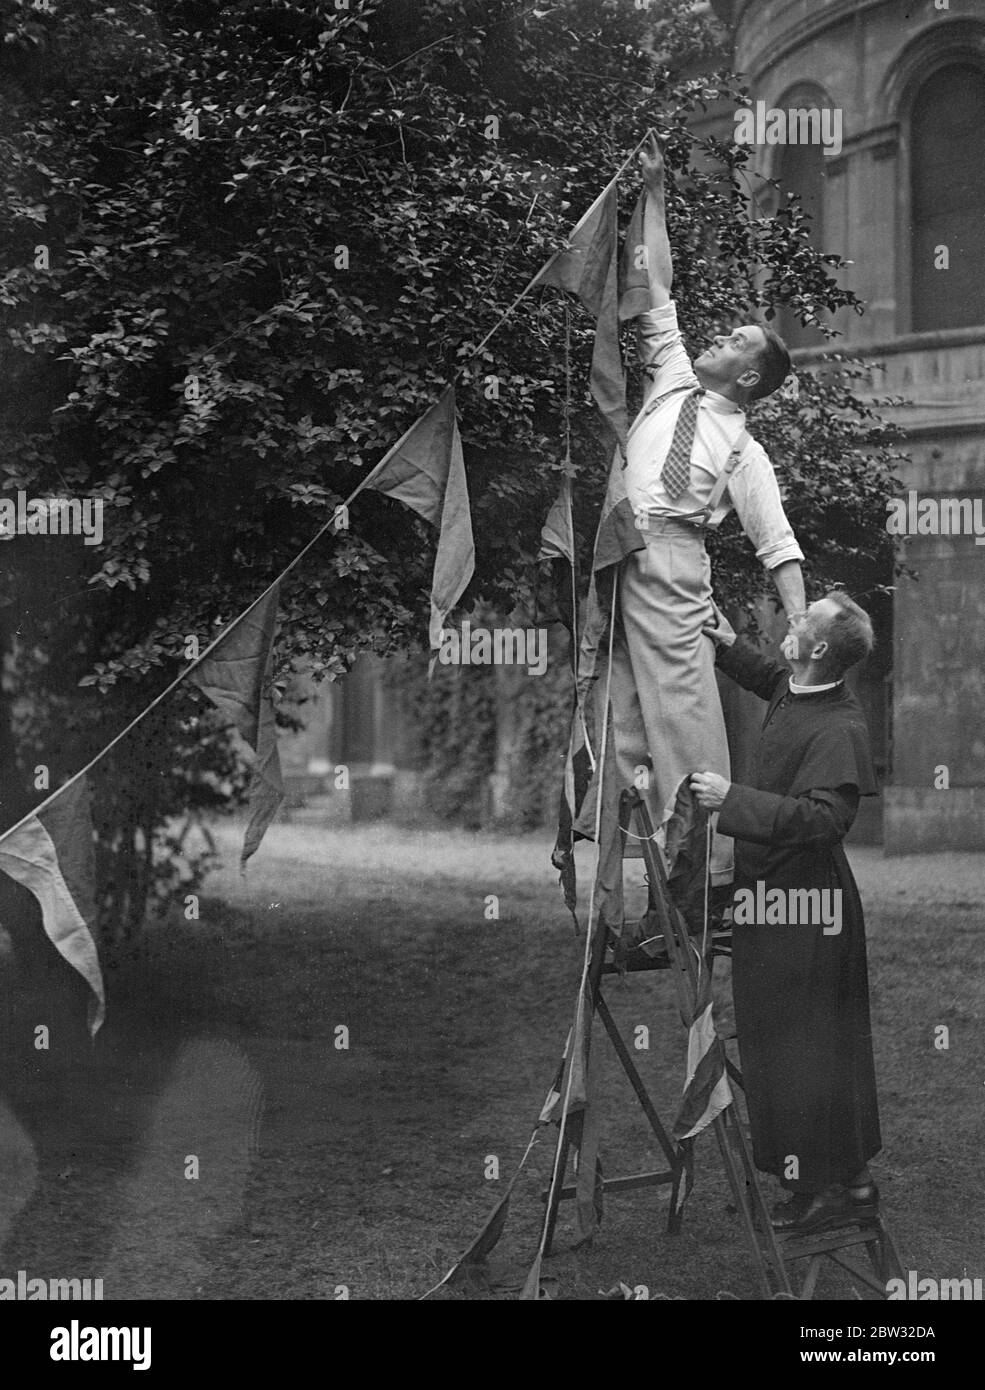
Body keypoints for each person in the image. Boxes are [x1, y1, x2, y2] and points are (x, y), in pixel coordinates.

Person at [602, 134, 806, 886]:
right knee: (619, 704)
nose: (717, 336)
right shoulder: (672, 378)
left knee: (684, 715)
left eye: (734, 338)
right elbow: (655, 285)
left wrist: (802, 627)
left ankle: (709, 866)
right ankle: (637, 867)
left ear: (749, 374)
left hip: (670, 555)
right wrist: (653, 194)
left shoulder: (743, 451)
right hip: (615, 544)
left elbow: (775, 543)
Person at [691, 591, 883, 1234]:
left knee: (806, 1053)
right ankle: (850, 1187)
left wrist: (731, 801)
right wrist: (724, 644)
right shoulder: (803, 689)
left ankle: (820, 1193)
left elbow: (827, 821)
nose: (792, 620)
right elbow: (774, 680)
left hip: (807, 910)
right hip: (772, 902)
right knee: (785, 1047)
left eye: (805, 619)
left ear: (821, 648)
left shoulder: (843, 725)